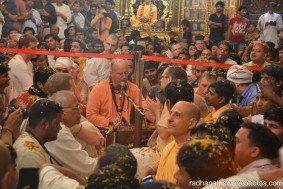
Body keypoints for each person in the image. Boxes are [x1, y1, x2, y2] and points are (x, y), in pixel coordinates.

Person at [45, 90, 97, 176]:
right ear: (63, 112)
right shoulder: (59, 131)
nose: (80, 111)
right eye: (76, 107)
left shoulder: (60, 127)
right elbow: (87, 166)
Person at [86, 59, 142, 127]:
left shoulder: (133, 88)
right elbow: (90, 116)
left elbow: (143, 107)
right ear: (111, 73)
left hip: (128, 131)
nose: (124, 77)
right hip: (105, 132)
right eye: (120, 73)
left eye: (126, 73)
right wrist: (108, 121)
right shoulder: (98, 89)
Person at [13, 99, 63, 171]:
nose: (60, 128)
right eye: (57, 123)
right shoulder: (31, 153)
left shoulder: (30, 141)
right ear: (44, 123)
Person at [8, 34, 38, 101]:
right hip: (15, 103)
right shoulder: (18, 63)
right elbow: (30, 89)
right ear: (24, 48)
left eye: (36, 47)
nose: (36, 50)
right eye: (33, 48)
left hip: (23, 100)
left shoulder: (29, 63)